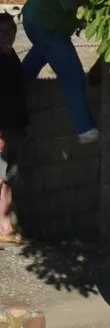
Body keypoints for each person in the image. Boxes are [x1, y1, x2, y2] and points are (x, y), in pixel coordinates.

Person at [20, 0, 99, 143]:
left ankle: (12, 89)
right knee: (72, 75)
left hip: (41, 20)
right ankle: (85, 129)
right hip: (47, 25)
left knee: (39, 57)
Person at [0, 12, 27, 245]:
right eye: (1, 32)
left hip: (16, 127)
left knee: (8, 179)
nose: (7, 35)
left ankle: (6, 227)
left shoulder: (13, 57)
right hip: (3, 131)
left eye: (11, 30)